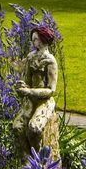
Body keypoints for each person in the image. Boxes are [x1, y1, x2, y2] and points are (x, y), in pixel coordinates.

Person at [13, 25, 60, 160]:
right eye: (33, 40)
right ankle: (25, 159)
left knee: (34, 128)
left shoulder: (50, 61)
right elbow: (26, 80)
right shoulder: (30, 57)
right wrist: (21, 86)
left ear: (44, 40)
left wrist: (29, 91)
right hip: (30, 100)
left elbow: (51, 90)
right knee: (18, 127)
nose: (34, 43)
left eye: (36, 40)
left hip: (44, 101)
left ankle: (40, 160)